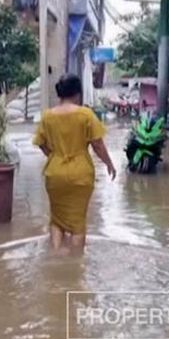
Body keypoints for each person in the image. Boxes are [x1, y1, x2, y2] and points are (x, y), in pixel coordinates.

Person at [33, 74, 117, 251]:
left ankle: (56, 257)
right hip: (80, 174)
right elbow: (97, 145)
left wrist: (55, 157)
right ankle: (75, 266)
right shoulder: (85, 114)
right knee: (78, 222)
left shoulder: (48, 116)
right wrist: (109, 163)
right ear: (78, 93)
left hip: (54, 174)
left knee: (56, 219)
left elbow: (41, 143)